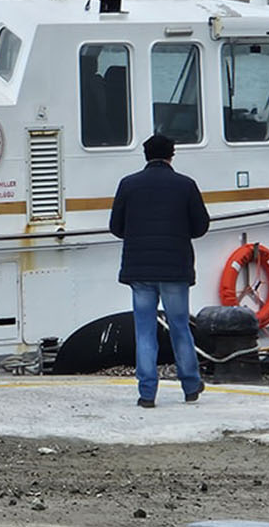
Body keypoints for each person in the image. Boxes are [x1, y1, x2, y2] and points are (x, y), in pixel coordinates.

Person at [109, 133, 210, 408]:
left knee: (144, 331)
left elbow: (116, 227)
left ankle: (147, 393)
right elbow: (201, 226)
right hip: (175, 269)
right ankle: (190, 386)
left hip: (140, 271)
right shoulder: (186, 185)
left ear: (145, 155)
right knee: (179, 327)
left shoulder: (128, 185)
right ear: (171, 155)